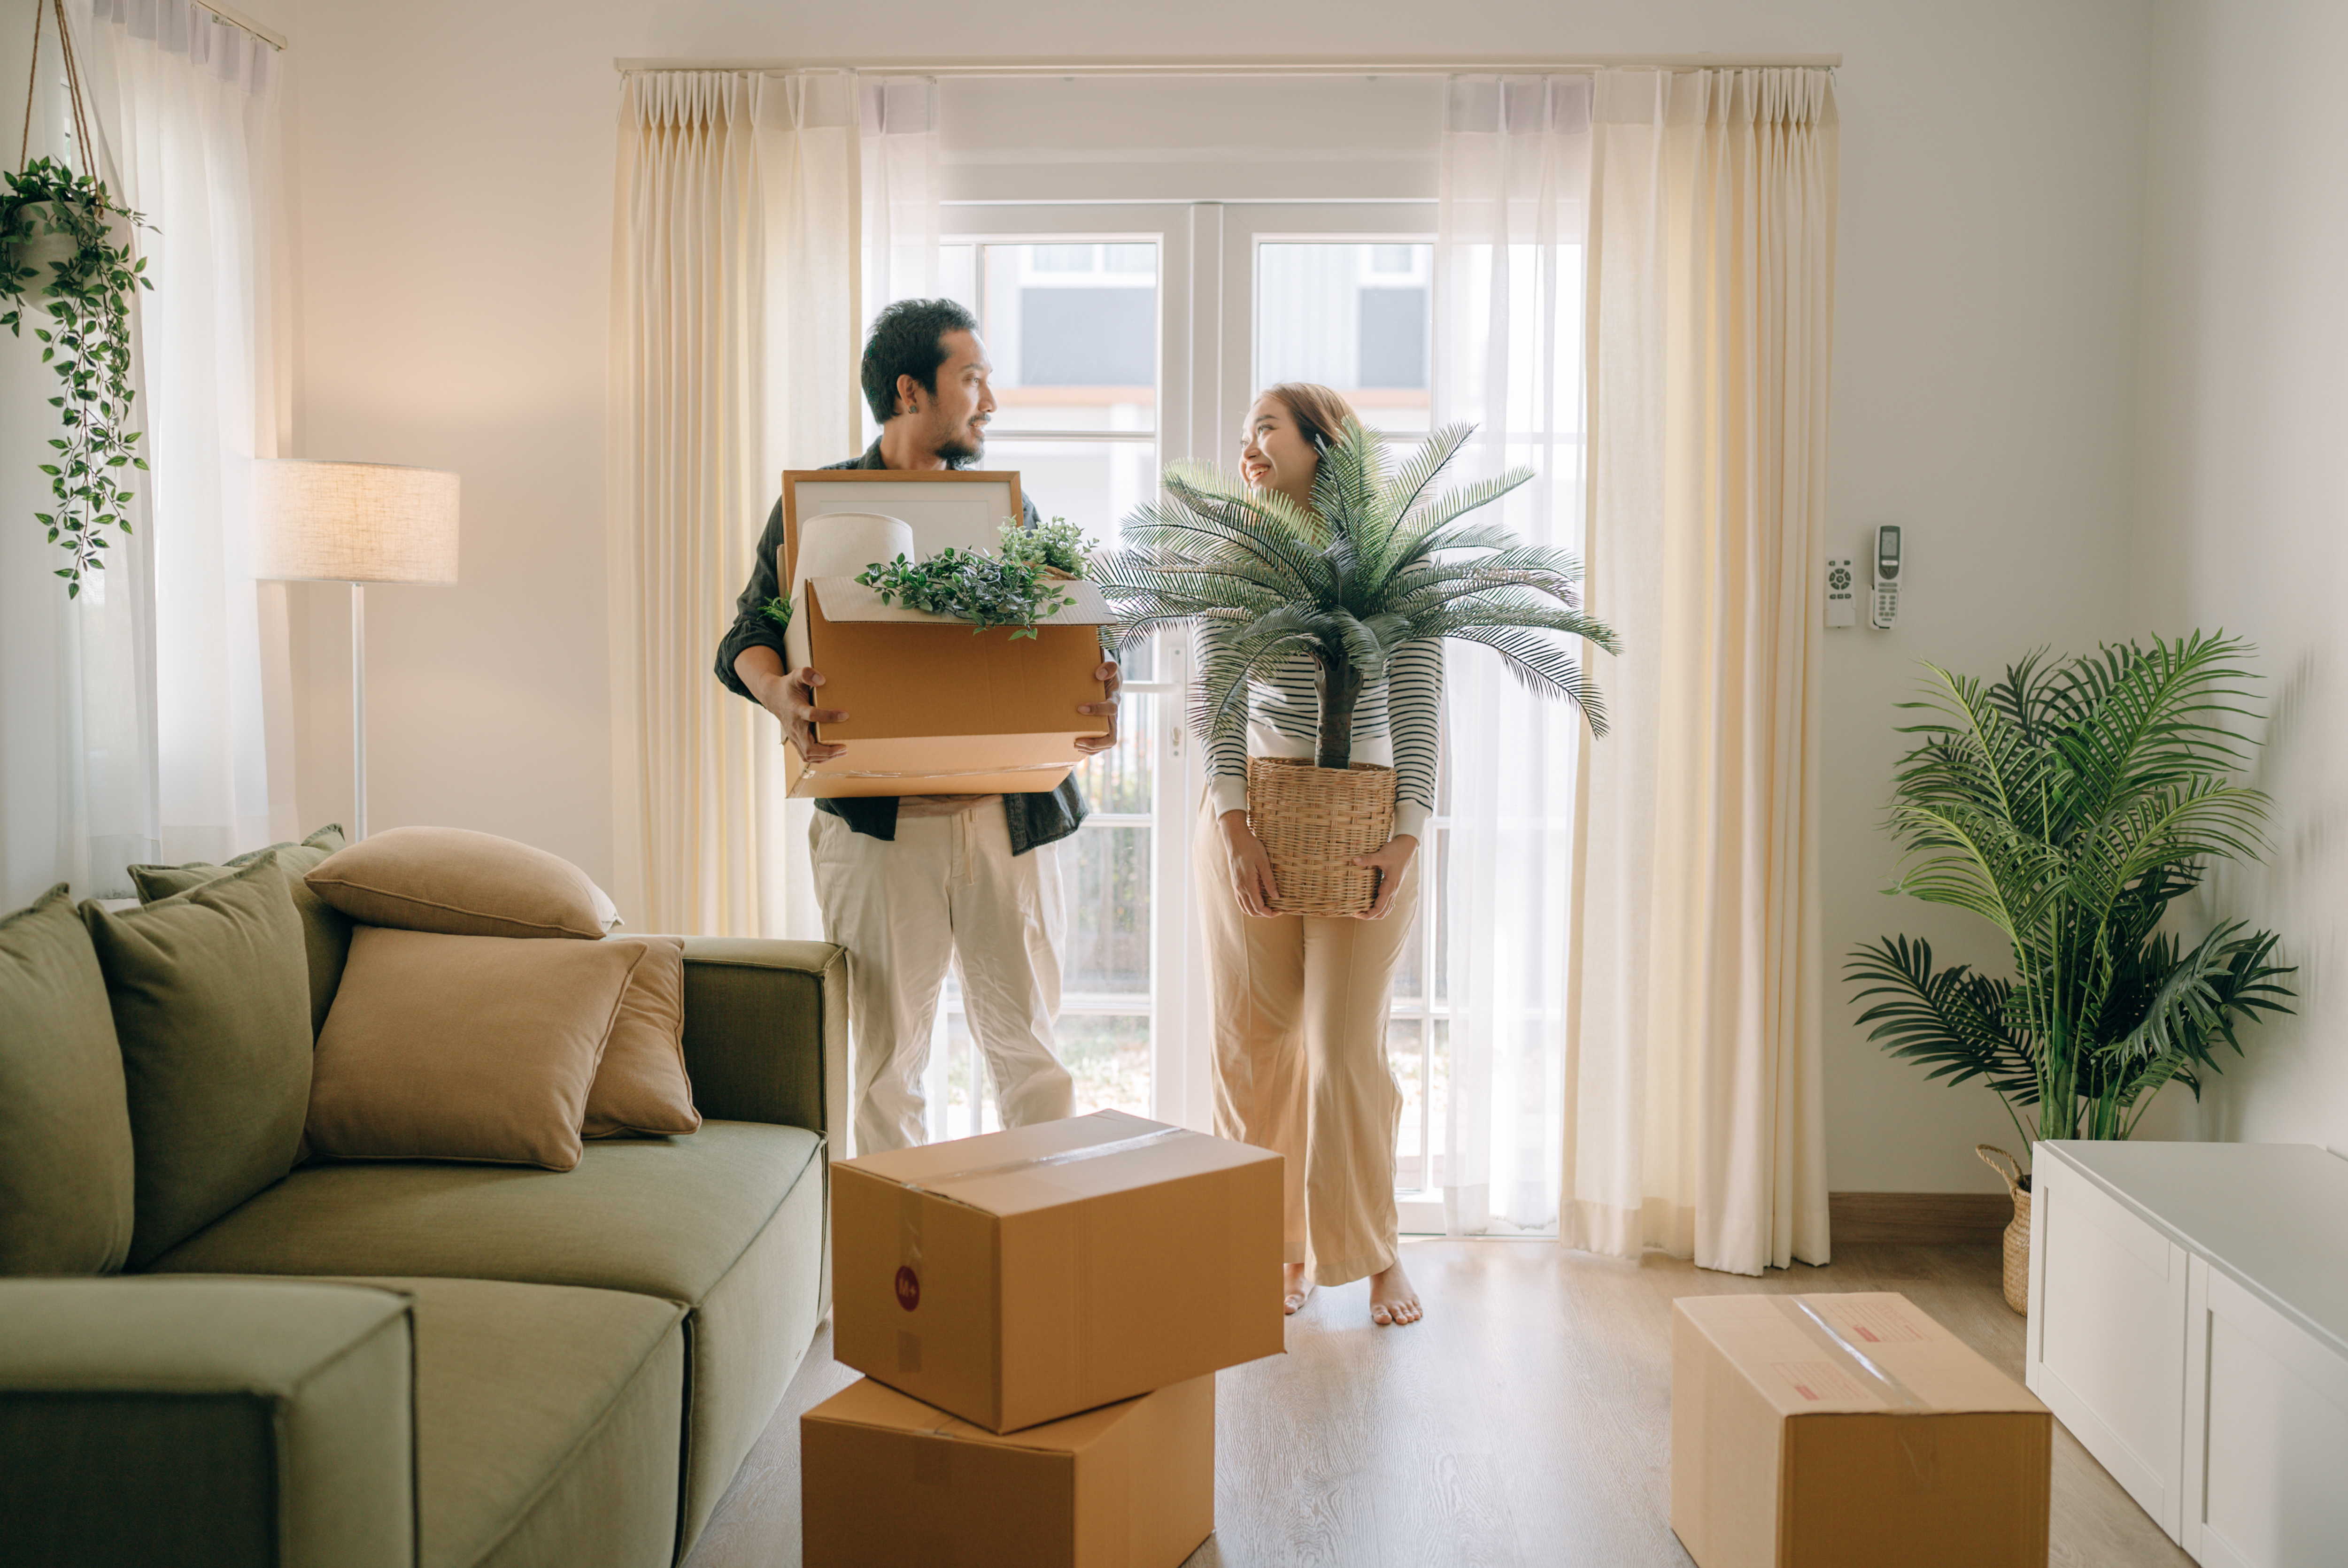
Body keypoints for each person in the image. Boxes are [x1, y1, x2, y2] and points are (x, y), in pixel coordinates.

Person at [714, 298, 1122, 1154]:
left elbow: (1074, 633)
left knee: (1033, 1058)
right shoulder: (817, 508)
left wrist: (1093, 684)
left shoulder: (1013, 514)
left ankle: (1042, 1270)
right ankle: (905, 1280)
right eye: (971, 378)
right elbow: (747, 636)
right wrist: (782, 693)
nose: (990, 401)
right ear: (910, 390)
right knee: (883, 1070)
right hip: (877, 831)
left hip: (1006, 824)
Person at [1194, 383, 1438, 1328]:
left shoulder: (1389, 565)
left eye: (1266, 426)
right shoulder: (1238, 556)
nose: (1248, 441)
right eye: (1244, 426)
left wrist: (1407, 831)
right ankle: (1276, 1246)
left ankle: (1375, 1254)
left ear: (1319, 444)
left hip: (1368, 824)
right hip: (1254, 815)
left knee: (1344, 1047)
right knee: (1256, 1046)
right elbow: (1213, 701)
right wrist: (1233, 825)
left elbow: (1419, 705)